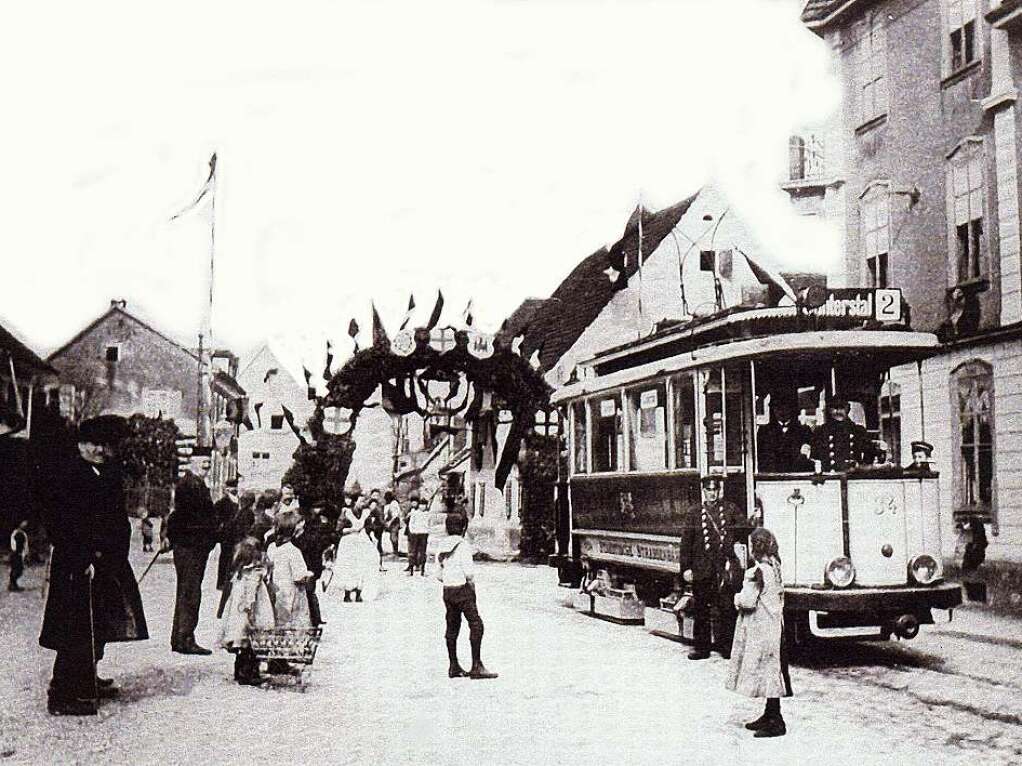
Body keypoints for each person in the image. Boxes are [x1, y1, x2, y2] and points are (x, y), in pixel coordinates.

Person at [38, 415, 149, 716]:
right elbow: (60, 525)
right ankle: (62, 693)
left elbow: (117, 519)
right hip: (78, 566)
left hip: (107, 563)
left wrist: (115, 555)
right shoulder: (68, 474)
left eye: (106, 445)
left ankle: (88, 677)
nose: (100, 449)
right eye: (93, 444)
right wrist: (82, 559)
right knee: (74, 628)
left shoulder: (109, 473)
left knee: (98, 624)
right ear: (80, 444)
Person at [726, 527, 792, 738]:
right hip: (774, 627)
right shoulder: (775, 567)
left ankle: (776, 722)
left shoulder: (756, 572)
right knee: (771, 671)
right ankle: (770, 713)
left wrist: (735, 598)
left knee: (767, 673)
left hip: (760, 629)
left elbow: (747, 601)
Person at [678, 473, 750, 661]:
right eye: (708, 490)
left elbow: (743, 528)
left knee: (727, 608)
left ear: (719, 491)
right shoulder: (694, 513)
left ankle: (727, 647)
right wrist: (686, 568)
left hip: (723, 567)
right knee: (701, 608)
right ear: (703, 491)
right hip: (702, 568)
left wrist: (750, 522)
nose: (712, 494)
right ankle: (701, 648)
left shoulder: (730, 509)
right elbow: (686, 543)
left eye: (715, 490)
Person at [164, 447, 218, 655]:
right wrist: (212, 531)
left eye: (208, 461)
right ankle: (185, 638)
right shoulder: (189, 485)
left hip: (192, 546)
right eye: (201, 460)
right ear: (192, 461)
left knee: (186, 592)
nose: (206, 464)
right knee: (190, 593)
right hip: (190, 547)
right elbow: (181, 517)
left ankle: (180, 638)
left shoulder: (196, 484)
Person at [436, 513, 497, 679]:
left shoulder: (441, 546)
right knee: (476, 624)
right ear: (463, 528)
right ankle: (476, 665)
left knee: (452, 627)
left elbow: (439, 575)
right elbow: (469, 573)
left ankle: (453, 665)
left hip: (447, 590)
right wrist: (472, 589)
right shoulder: (463, 545)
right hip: (462, 590)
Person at [215, 537, 275, 686]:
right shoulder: (254, 574)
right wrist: (250, 611)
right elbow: (251, 595)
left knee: (242, 646)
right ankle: (250, 673)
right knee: (251, 645)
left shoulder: (239, 573)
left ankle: (239, 671)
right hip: (252, 612)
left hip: (237, 615)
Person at [266, 511, 313, 628]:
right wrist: (308, 576)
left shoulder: (271, 547)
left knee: (278, 616)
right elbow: (298, 577)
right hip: (291, 591)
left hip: (275, 588)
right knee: (293, 620)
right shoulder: (294, 551)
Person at [808, 397, 878, 472]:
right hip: (830, 478)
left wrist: (861, 468)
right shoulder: (820, 432)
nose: (838, 411)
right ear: (829, 410)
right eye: (834, 408)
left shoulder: (858, 431)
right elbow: (814, 457)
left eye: (842, 408)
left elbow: (870, 453)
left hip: (852, 478)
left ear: (848, 409)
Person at [292, 505, 334, 626]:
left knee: (310, 593)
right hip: (300, 570)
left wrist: (314, 572)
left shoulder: (310, 537)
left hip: (309, 569)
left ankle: (315, 620)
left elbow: (316, 554)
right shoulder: (294, 539)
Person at [756, 395, 812, 473]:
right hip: (771, 478)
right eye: (778, 408)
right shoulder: (764, 431)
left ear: (791, 409)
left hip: (797, 477)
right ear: (773, 410)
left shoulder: (803, 431)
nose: (781, 412)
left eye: (785, 408)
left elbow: (809, 457)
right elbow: (761, 457)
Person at [335, 498, 375, 602]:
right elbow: (339, 529)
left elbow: (370, 527)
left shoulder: (366, 513)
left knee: (361, 566)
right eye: (360, 501)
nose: (362, 504)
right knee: (349, 567)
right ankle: (347, 593)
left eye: (364, 501)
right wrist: (352, 529)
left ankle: (358, 592)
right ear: (355, 501)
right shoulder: (346, 512)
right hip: (349, 542)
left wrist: (368, 534)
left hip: (362, 541)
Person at [214, 479, 241, 590]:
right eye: (231, 487)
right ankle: (222, 582)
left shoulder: (239, 501)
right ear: (226, 489)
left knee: (236, 556)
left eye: (235, 487)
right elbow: (216, 519)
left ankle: (232, 579)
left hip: (237, 534)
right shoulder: (222, 503)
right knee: (225, 556)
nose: (233, 489)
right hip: (226, 535)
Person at [407, 496, 431, 576]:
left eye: (424, 505)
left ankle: (423, 570)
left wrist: (427, 530)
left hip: (424, 534)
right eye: (421, 505)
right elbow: (411, 524)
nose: (422, 506)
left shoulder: (428, 514)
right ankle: (411, 570)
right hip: (415, 534)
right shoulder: (415, 513)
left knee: (423, 552)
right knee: (413, 551)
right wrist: (413, 531)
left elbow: (430, 524)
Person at [8, 520, 29, 591]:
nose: (25, 524)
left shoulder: (20, 533)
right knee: (18, 570)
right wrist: (20, 553)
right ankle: (12, 585)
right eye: (24, 522)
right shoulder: (18, 533)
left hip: (17, 553)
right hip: (17, 554)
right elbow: (19, 545)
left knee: (16, 569)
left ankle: (13, 584)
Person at [383, 491, 402, 556]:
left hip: (394, 522)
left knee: (393, 537)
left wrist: (390, 522)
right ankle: (395, 551)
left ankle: (395, 552)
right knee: (392, 537)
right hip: (390, 522)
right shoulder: (387, 504)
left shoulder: (394, 503)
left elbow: (395, 515)